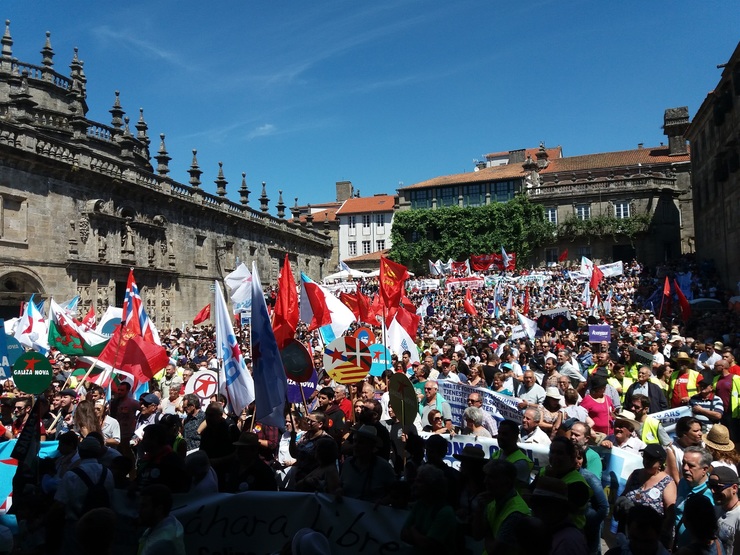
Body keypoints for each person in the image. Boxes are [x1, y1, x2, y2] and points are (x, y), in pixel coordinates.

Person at [618, 444, 676, 547]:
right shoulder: (635, 474)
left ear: (660, 463)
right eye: (645, 457)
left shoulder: (667, 483)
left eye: (651, 459)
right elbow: (625, 494)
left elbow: (670, 515)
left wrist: (660, 536)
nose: (647, 461)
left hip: (650, 539)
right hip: (628, 533)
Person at [472, 459, 531, 555]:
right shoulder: (492, 501)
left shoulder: (516, 513)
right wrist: (479, 511)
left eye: (491, 477)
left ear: (507, 482)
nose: (485, 481)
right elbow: (477, 535)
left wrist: (487, 530)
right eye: (486, 476)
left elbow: (494, 551)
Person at [401, 465, 459, 555]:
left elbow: (428, 545)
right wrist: (420, 538)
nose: (415, 485)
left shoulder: (445, 511)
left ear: (432, 486)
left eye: (420, 481)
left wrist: (413, 530)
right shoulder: (419, 505)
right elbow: (403, 534)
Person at [538, 436, 593, 531]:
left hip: (568, 534)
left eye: (560, 453)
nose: (554, 456)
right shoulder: (544, 471)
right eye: (552, 452)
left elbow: (554, 509)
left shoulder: (578, 484)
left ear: (571, 457)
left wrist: (548, 480)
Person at [339, 425, 395, 503]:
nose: (356, 445)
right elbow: (341, 486)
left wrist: (383, 501)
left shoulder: (383, 467)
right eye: (355, 441)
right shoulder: (347, 463)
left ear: (371, 446)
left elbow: (395, 494)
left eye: (361, 443)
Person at [674, 446, 715, 550]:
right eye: (684, 463)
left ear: (704, 470)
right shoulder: (683, 482)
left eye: (691, 466)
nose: (685, 468)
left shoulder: (712, 493)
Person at [137, 484, 186, 555]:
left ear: (159, 509)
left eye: (144, 506)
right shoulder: (172, 522)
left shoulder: (159, 544)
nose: (139, 510)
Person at [490, 419, 534, 492]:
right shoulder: (496, 454)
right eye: (499, 433)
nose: (500, 437)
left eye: (504, 434)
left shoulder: (521, 462)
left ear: (515, 437)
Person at [710, 466, 740, 555]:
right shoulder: (716, 508)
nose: (712, 491)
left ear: (734, 488)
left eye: (717, 487)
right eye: (710, 486)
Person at [666, 417, 704, 485]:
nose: (700, 433)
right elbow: (675, 478)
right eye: (696, 431)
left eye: (700, 430)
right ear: (684, 433)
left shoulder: (703, 446)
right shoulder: (673, 450)